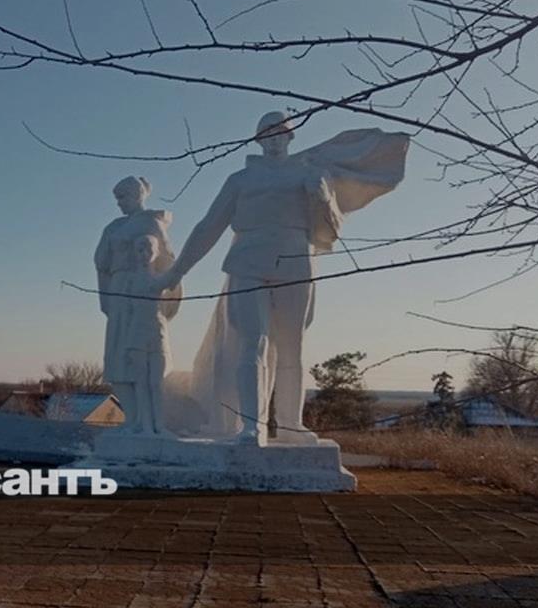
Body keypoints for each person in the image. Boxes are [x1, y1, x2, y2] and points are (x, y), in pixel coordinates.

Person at [156, 112, 408, 446]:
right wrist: (178, 270)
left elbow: (329, 230)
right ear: (258, 139)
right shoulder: (240, 180)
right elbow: (208, 227)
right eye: (267, 133)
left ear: (291, 137)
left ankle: (290, 424)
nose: (274, 138)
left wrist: (322, 197)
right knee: (252, 343)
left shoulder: (311, 173)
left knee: (292, 346)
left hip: (294, 263)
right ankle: (250, 426)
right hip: (247, 262)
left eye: (281, 132)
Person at [94, 176, 178, 429]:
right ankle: (133, 419)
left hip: (141, 293)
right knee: (117, 354)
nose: (119, 203)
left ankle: (149, 421)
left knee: (142, 359)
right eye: (117, 198)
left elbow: (167, 262)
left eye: (123, 197)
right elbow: (101, 262)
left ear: (137, 195)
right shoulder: (114, 226)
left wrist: (161, 295)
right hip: (119, 291)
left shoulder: (151, 222)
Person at [114, 235, 180, 434]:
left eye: (149, 250)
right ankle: (145, 425)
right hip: (136, 335)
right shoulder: (129, 281)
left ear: (156, 252)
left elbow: (176, 276)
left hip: (157, 333)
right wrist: (125, 345)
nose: (144, 254)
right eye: (140, 250)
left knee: (156, 383)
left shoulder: (160, 278)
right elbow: (125, 313)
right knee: (140, 383)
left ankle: (159, 425)